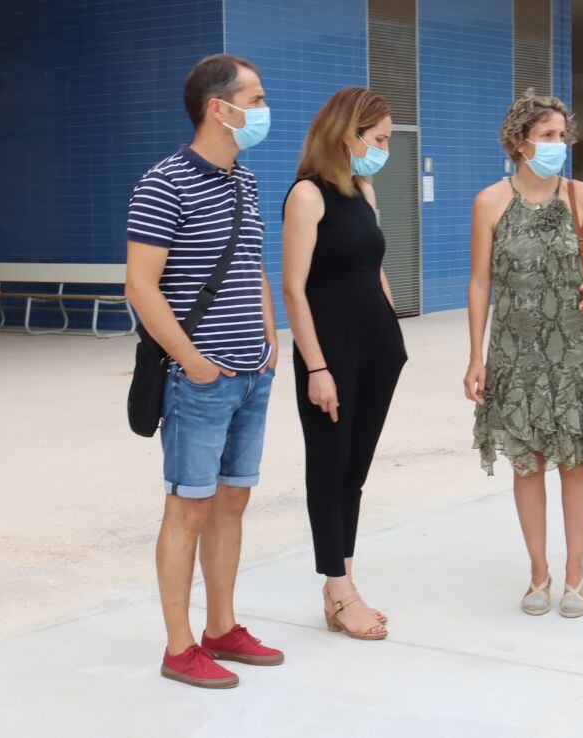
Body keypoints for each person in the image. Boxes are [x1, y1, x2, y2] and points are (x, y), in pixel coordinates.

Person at [125, 54, 283, 689]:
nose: (264, 110)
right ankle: (179, 646)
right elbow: (141, 284)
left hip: (253, 371)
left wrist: (270, 340)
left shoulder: (244, 178)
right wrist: (194, 365)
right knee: (188, 507)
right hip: (202, 378)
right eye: (257, 97)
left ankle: (222, 628)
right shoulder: (164, 182)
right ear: (221, 108)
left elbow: (252, 265)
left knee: (232, 502)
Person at [465, 91, 583, 619]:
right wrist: (476, 356)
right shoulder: (489, 202)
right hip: (512, 351)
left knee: (574, 460)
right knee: (527, 464)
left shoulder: (580, 196)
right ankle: (538, 574)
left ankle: (575, 575)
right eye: (547, 136)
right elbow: (480, 283)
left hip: (570, 347)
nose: (558, 145)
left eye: (561, 135)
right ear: (519, 141)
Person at [282, 87, 406, 641]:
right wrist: (316, 367)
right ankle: (337, 588)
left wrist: (392, 326)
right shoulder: (307, 196)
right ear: (347, 135)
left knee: (353, 472)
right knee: (328, 467)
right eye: (378, 138)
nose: (383, 149)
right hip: (330, 351)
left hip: (377, 348)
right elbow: (293, 288)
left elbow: (372, 268)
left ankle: (344, 583)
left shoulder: (364, 189)